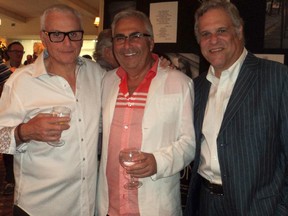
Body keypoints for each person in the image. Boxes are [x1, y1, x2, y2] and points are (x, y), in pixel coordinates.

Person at [184, 1, 288, 215]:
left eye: (221, 30)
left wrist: (281, 208)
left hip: (258, 207)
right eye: (205, 34)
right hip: (205, 204)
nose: (213, 40)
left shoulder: (277, 78)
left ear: (239, 31)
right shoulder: (197, 87)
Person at [0, 4, 104, 216]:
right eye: (57, 34)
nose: (67, 43)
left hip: (87, 204)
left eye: (74, 34)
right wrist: (25, 131)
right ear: (44, 37)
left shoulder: (98, 75)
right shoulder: (21, 81)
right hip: (39, 207)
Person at [97, 10, 196, 216]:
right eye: (120, 38)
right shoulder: (107, 82)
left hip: (155, 206)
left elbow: (189, 143)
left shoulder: (179, 83)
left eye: (136, 36)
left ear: (151, 43)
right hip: (110, 206)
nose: (127, 44)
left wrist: (157, 161)